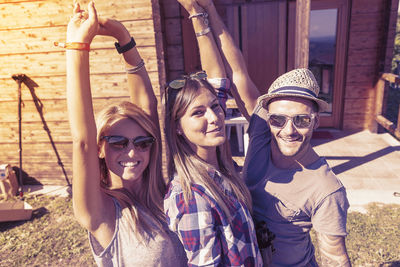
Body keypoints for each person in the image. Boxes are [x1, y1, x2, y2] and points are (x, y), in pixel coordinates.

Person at [194, 1, 352, 266]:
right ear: (268, 119)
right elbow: (237, 76)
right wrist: (208, 10)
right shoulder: (263, 136)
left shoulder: (326, 189)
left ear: (315, 122)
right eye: (278, 119)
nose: (288, 130)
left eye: (301, 120)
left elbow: (335, 257)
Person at [65, 2, 187, 266]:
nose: (132, 153)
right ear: (100, 147)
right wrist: (77, 47)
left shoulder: (159, 192)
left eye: (142, 143)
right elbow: (82, 141)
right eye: (118, 142)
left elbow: (148, 107)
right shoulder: (101, 211)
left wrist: (124, 39)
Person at [163, 0, 263, 266]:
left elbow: (219, 79)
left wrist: (199, 11)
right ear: (177, 128)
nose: (214, 117)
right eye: (198, 113)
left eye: (216, 107)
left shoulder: (218, 168)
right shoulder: (191, 196)